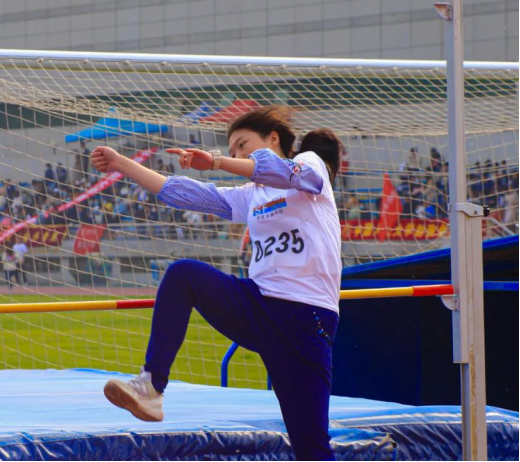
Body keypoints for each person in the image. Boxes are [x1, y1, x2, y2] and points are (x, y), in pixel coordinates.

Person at [93, 105, 342, 461]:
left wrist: (216, 161)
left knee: (311, 446)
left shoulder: (308, 164)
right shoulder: (251, 195)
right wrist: (121, 163)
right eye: (233, 149)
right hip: (259, 305)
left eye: (243, 145)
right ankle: (151, 387)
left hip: (306, 318)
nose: (237, 154)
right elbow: (182, 192)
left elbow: (278, 170)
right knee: (184, 275)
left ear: (273, 138)